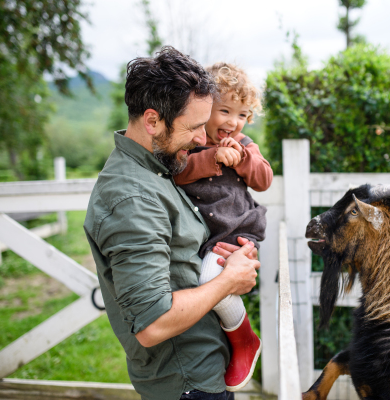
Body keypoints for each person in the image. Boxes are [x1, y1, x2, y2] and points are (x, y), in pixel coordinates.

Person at [84, 47, 260, 400]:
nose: (201, 139)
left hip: (203, 368)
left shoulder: (159, 166)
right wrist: (228, 281)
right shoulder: (132, 198)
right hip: (187, 383)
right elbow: (153, 324)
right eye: (195, 126)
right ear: (152, 121)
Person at [174, 62, 272, 391]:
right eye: (224, 110)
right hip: (210, 236)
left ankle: (244, 339)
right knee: (206, 284)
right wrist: (212, 157)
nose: (233, 122)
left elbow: (264, 179)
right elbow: (179, 173)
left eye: (242, 115)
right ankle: (233, 340)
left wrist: (243, 158)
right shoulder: (190, 147)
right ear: (205, 108)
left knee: (208, 280)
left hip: (240, 228)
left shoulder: (245, 143)